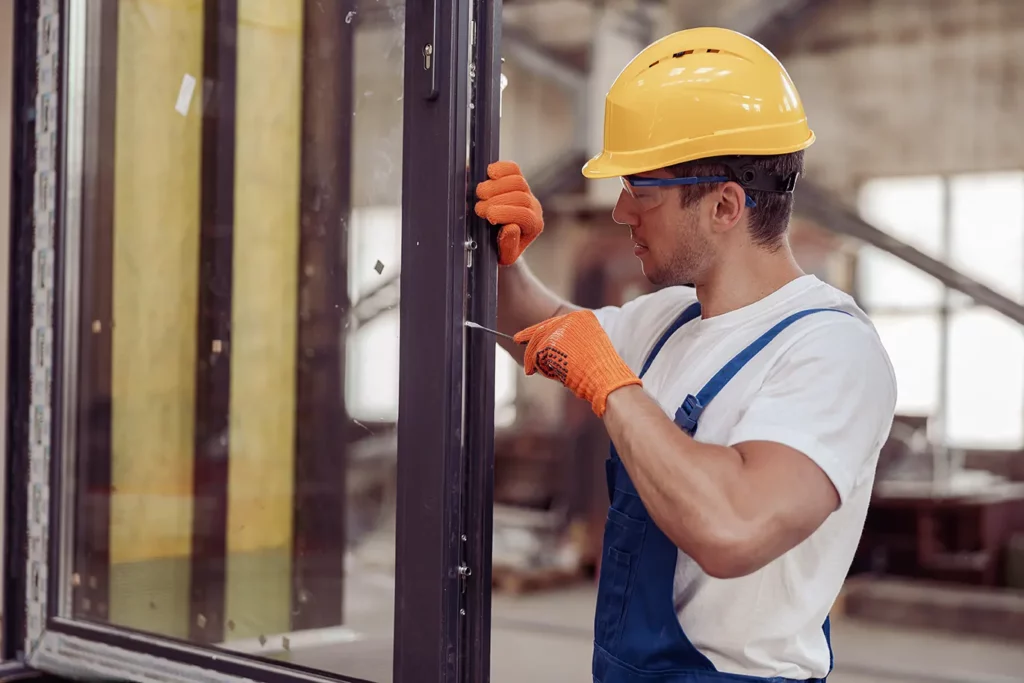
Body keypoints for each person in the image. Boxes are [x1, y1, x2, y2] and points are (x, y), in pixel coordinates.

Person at [474, 27, 897, 683]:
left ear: (725, 204)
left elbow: (735, 526)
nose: (620, 212)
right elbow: (539, 329)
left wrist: (613, 387)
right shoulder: (667, 321)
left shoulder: (831, 350)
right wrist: (503, 262)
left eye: (640, 189)